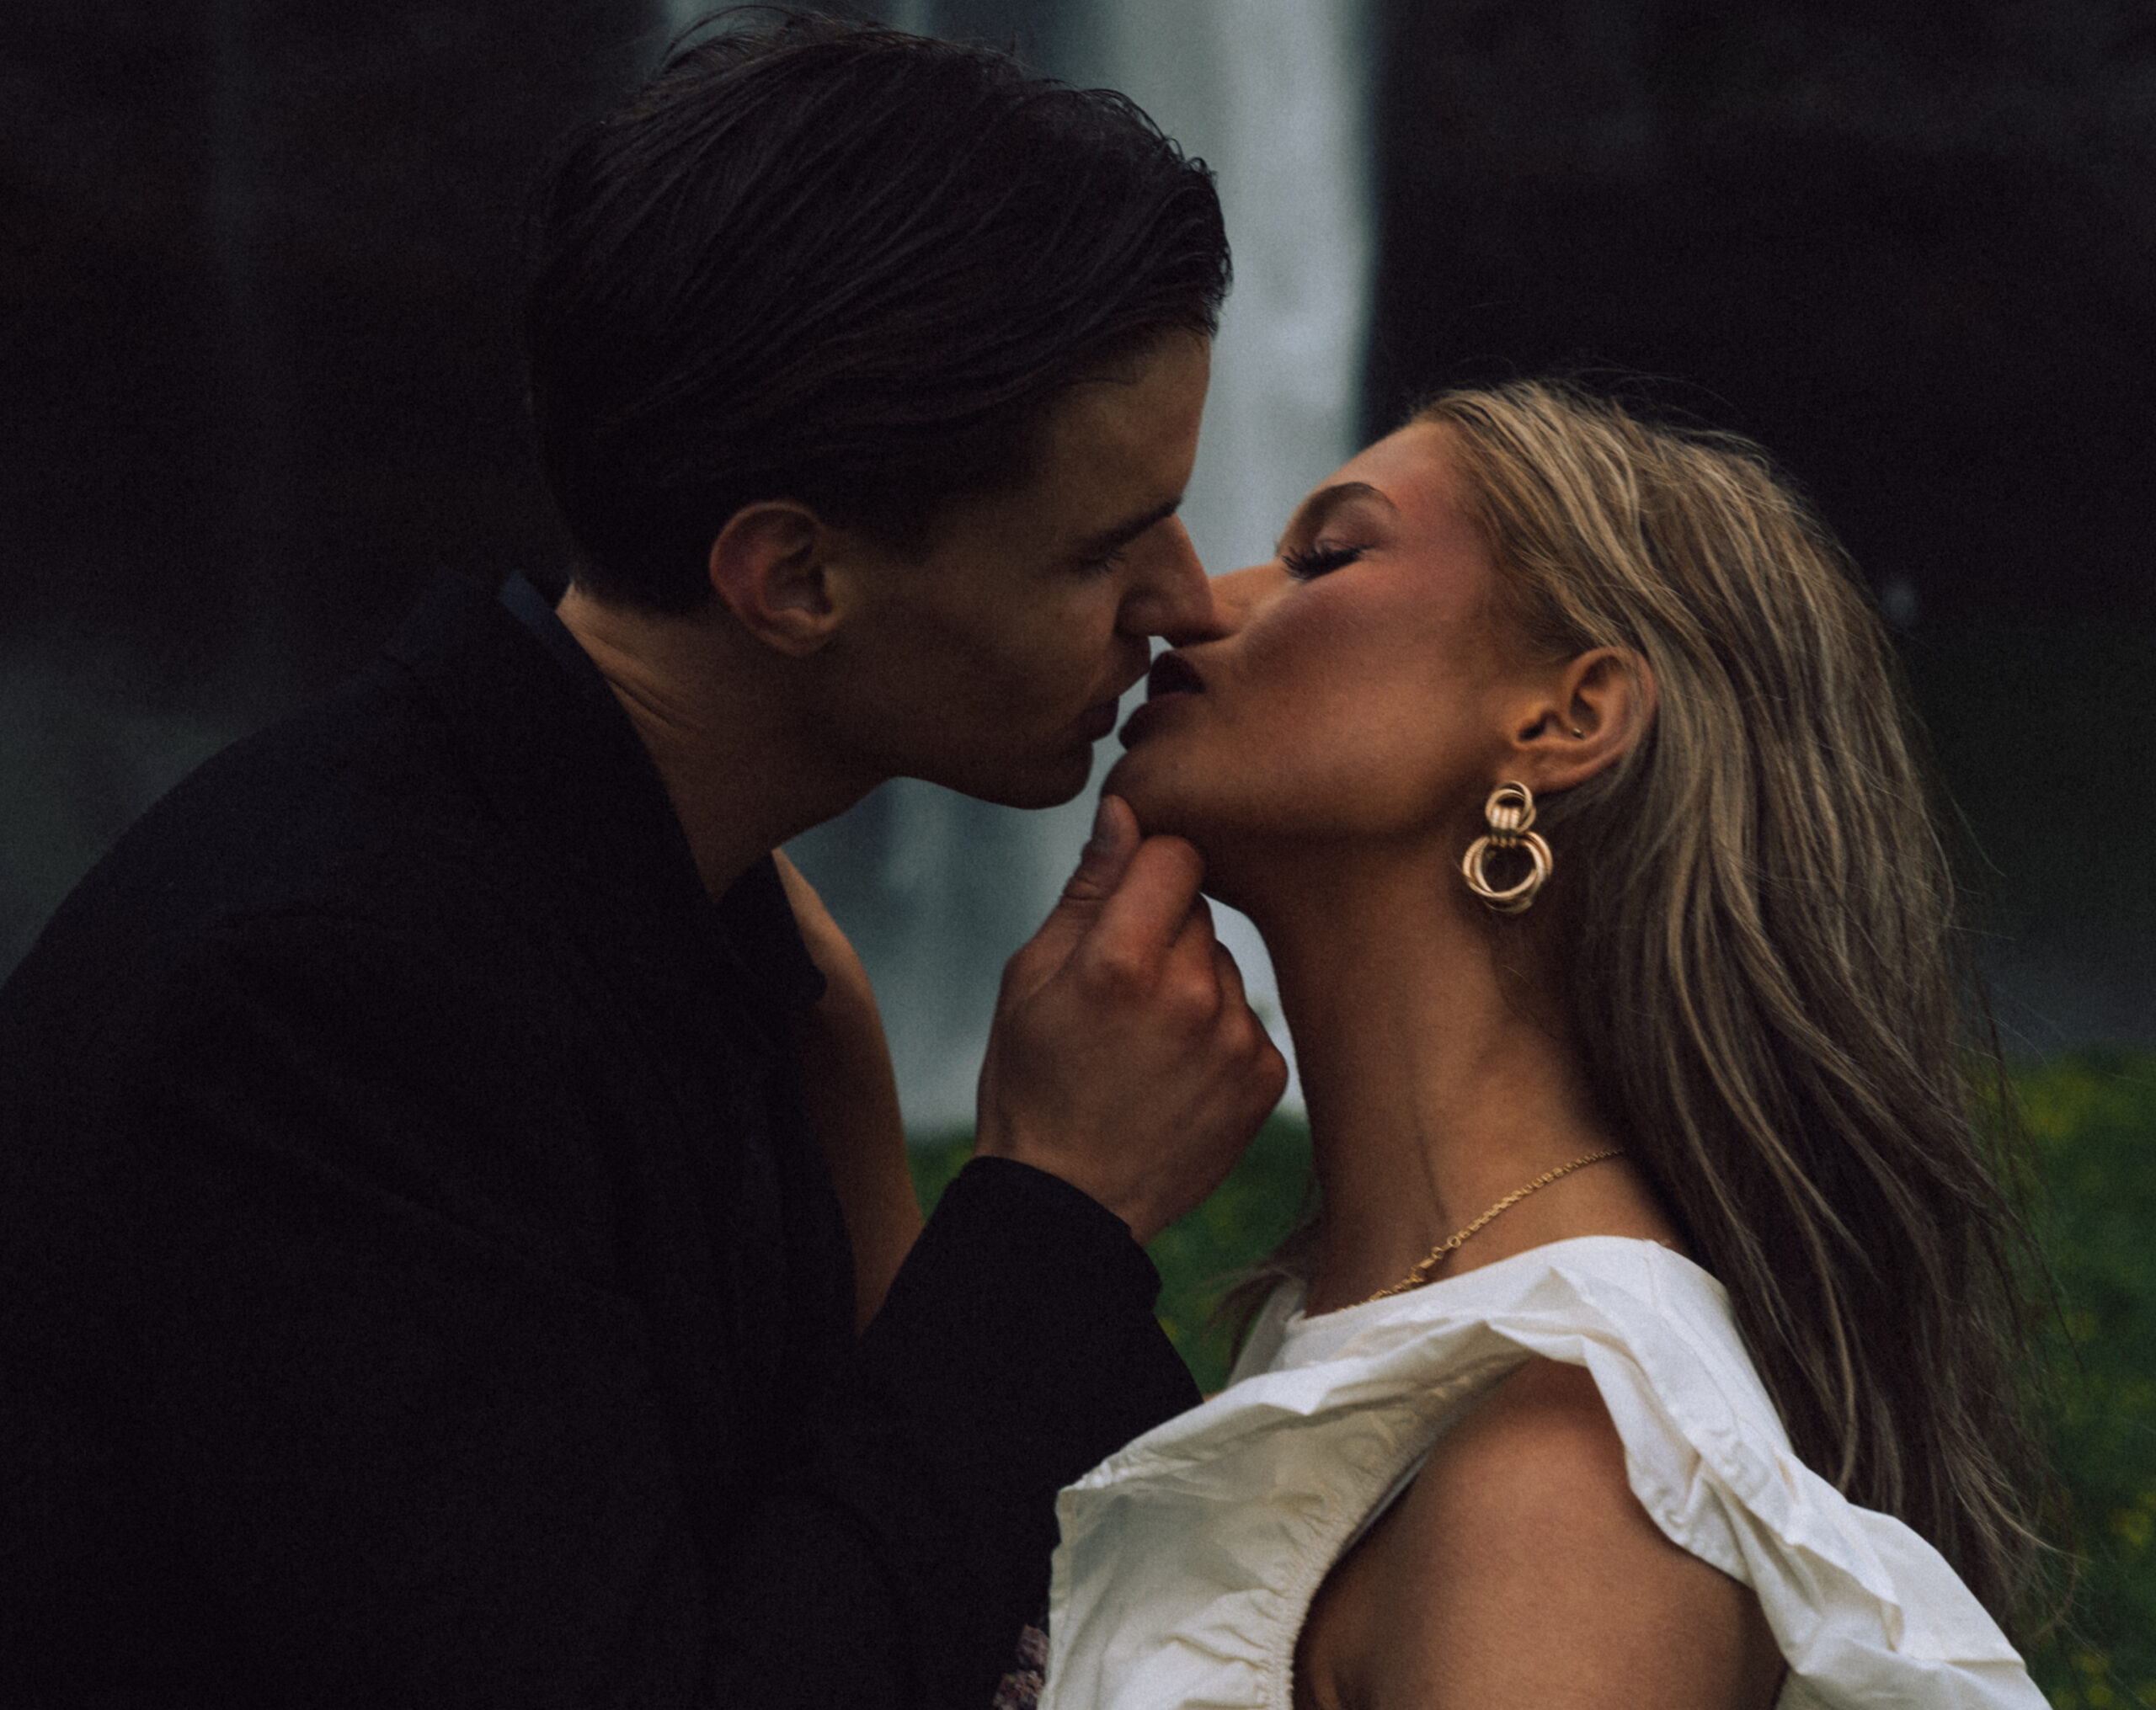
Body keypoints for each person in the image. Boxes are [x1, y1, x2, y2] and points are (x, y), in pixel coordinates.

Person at [0, 16, 1287, 1709]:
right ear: (792, 580)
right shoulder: (333, 998)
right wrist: (1058, 1205)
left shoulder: (671, 913)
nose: (1187, 602)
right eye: (1103, 548)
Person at [1038, 382, 2054, 1708]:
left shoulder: (1565, 1487)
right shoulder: (1384, 1347)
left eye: (1326, 557)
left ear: (1567, 720)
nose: (1197, 602)